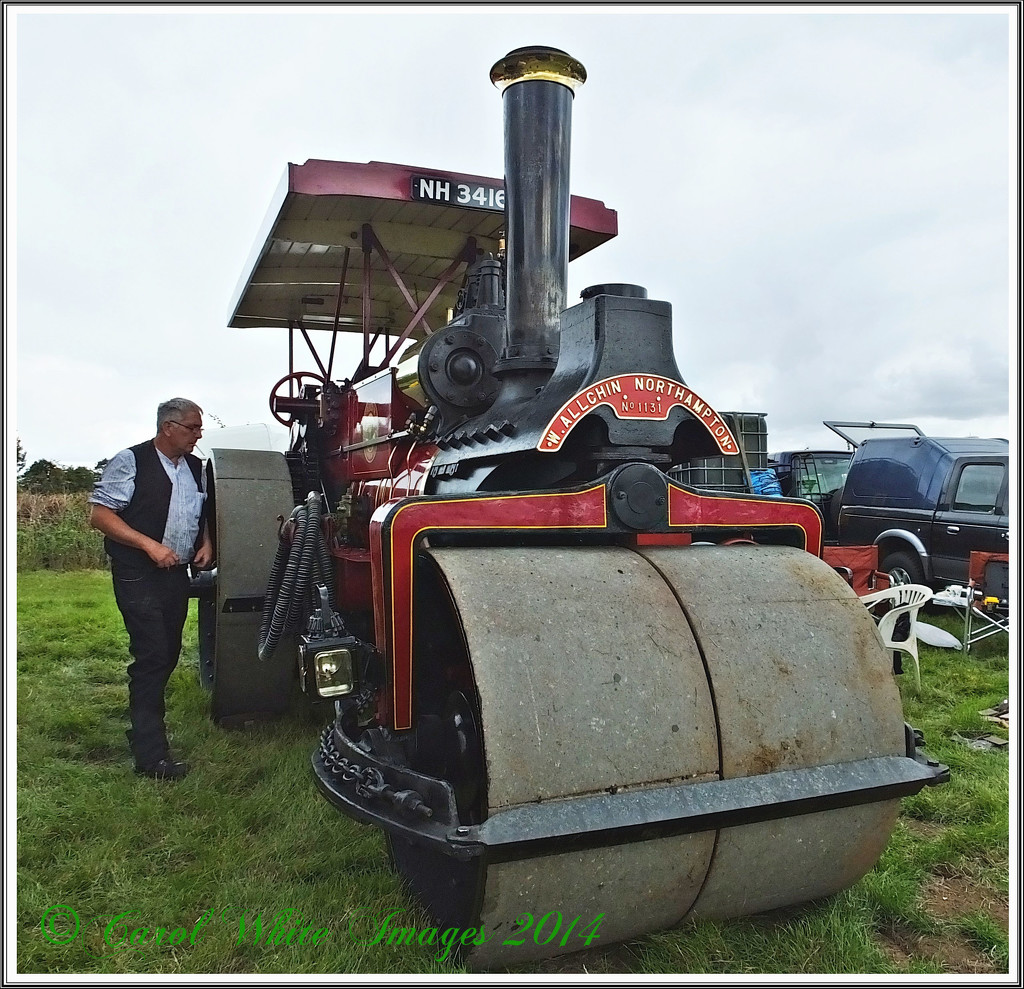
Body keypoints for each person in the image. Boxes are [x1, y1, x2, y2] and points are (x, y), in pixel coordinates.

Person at [89, 398, 213, 780]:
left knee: (169, 652)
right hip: (137, 572)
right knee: (153, 654)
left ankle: (145, 731)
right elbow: (100, 515)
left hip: (175, 575)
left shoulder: (195, 468)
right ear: (168, 427)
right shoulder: (130, 461)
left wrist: (206, 541)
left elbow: (202, 511)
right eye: (192, 428)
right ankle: (151, 756)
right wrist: (149, 545)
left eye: (199, 428)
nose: (198, 434)